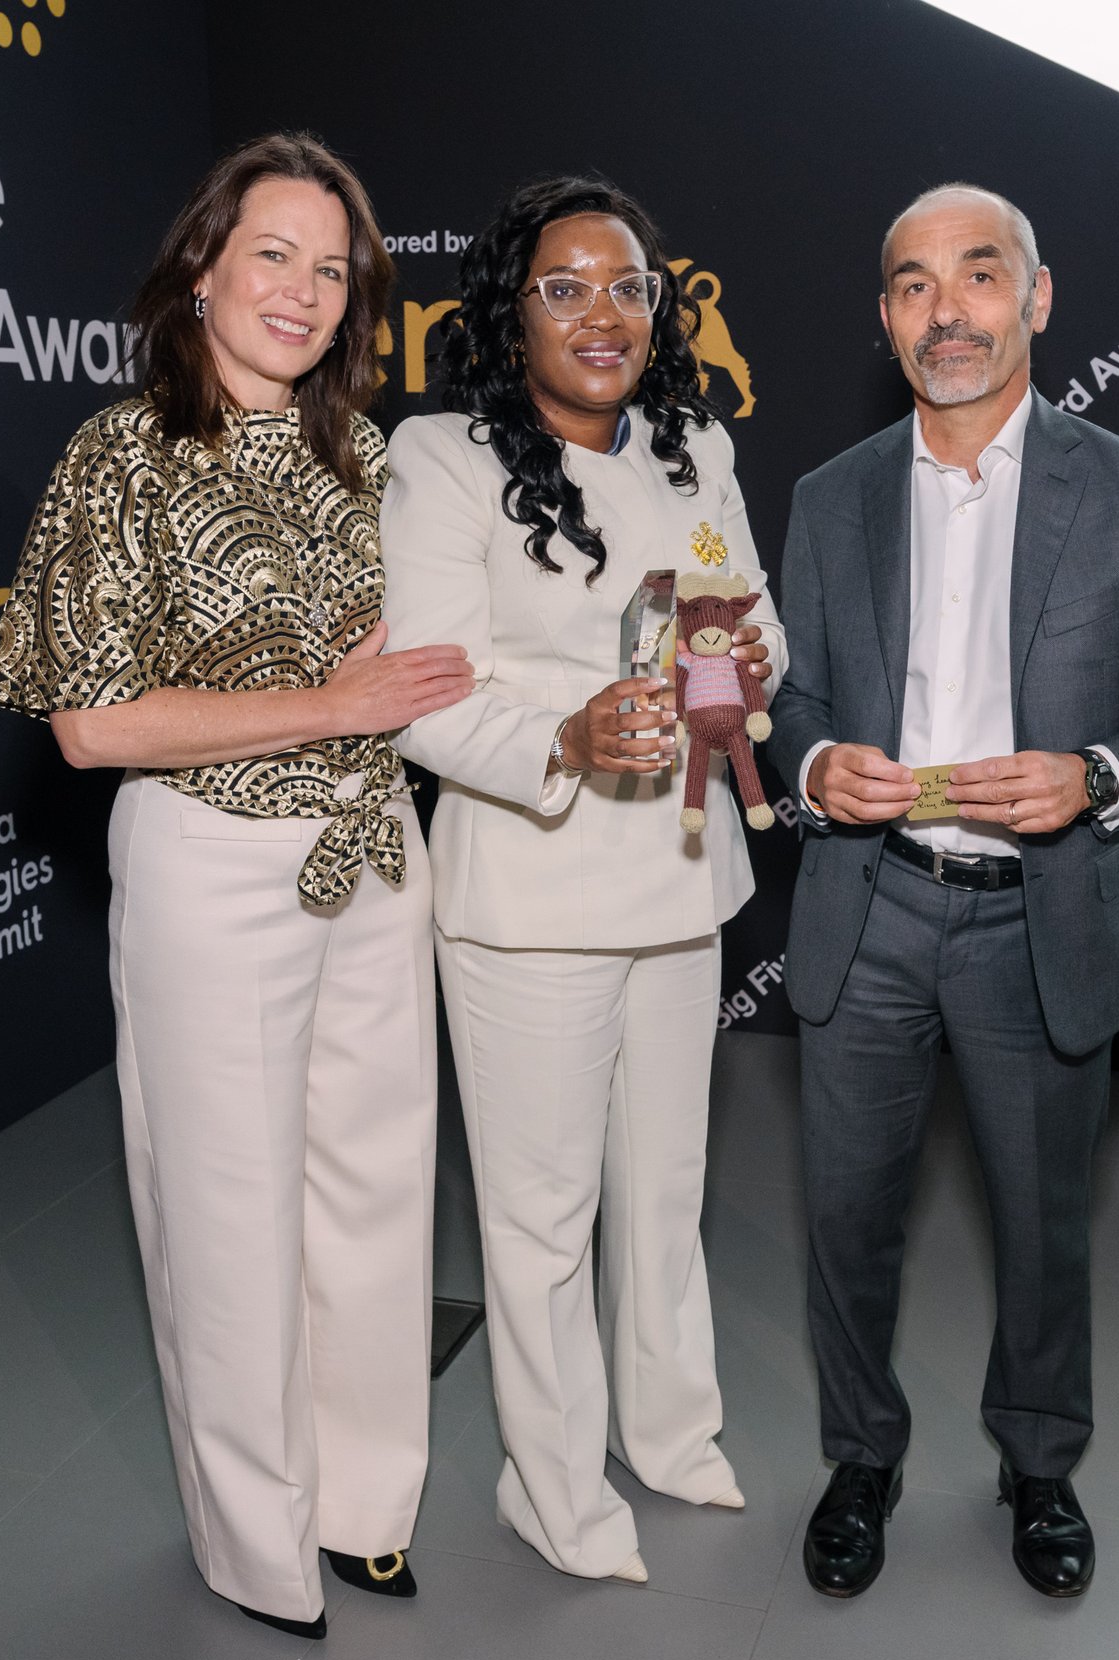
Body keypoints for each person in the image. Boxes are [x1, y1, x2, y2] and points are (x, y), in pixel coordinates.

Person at [0, 133, 473, 1642]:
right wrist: (328, 705)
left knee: (378, 1195)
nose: (303, 292)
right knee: (227, 1211)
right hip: (211, 865)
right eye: (273, 254)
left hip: (373, 853)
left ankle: (365, 1505)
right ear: (202, 266)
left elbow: (418, 667)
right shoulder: (119, 453)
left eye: (332, 270)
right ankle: (259, 1546)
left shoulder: (367, 459)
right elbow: (90, 726)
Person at [764, 184, 1119, 1602]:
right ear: (886, 319)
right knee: (846, 1218)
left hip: (1044, 913)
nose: (947, 311)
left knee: (1041, 1223)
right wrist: (816, 765)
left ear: (1036, 297)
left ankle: (1039, 1463)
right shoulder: (830, 497)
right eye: (913, 285)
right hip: (871, 903)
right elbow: (790, 702)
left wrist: (1096, 775)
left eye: (978, 275)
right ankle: (861, 1455)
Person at [379, 176, 784, 1585]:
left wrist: (740, 674)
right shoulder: (441, 458)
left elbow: (753, 625)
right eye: (563, 288)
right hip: (531, 891)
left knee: (665, 1188)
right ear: (513, 310)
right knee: (542, 1219)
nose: (600, 314)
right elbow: (424, 693)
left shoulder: (693, 444)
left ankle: (671, 1435)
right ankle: (550, 1488)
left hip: (682, 872)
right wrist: (564, 733)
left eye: (627, 287)